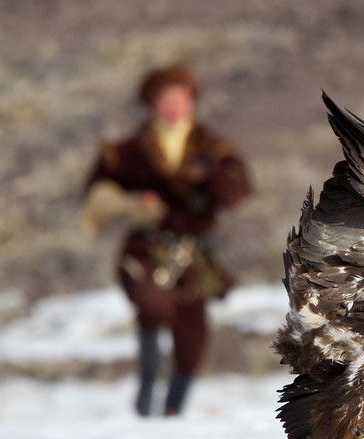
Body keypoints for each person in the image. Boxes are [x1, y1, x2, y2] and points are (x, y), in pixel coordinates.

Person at [82, 64, 252, 417]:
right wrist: (131, 203)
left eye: (180, 99)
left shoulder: (215, 148)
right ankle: (146, 391)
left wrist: (209, 175)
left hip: (195, 254)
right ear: (151, 104)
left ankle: (172, 412)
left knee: (192, 340)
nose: (173, 106)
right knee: (153, 303)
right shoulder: (125, 151)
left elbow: (237, 193)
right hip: (145, 248)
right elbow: (94, 194)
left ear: (191, 102)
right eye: (165, 100)